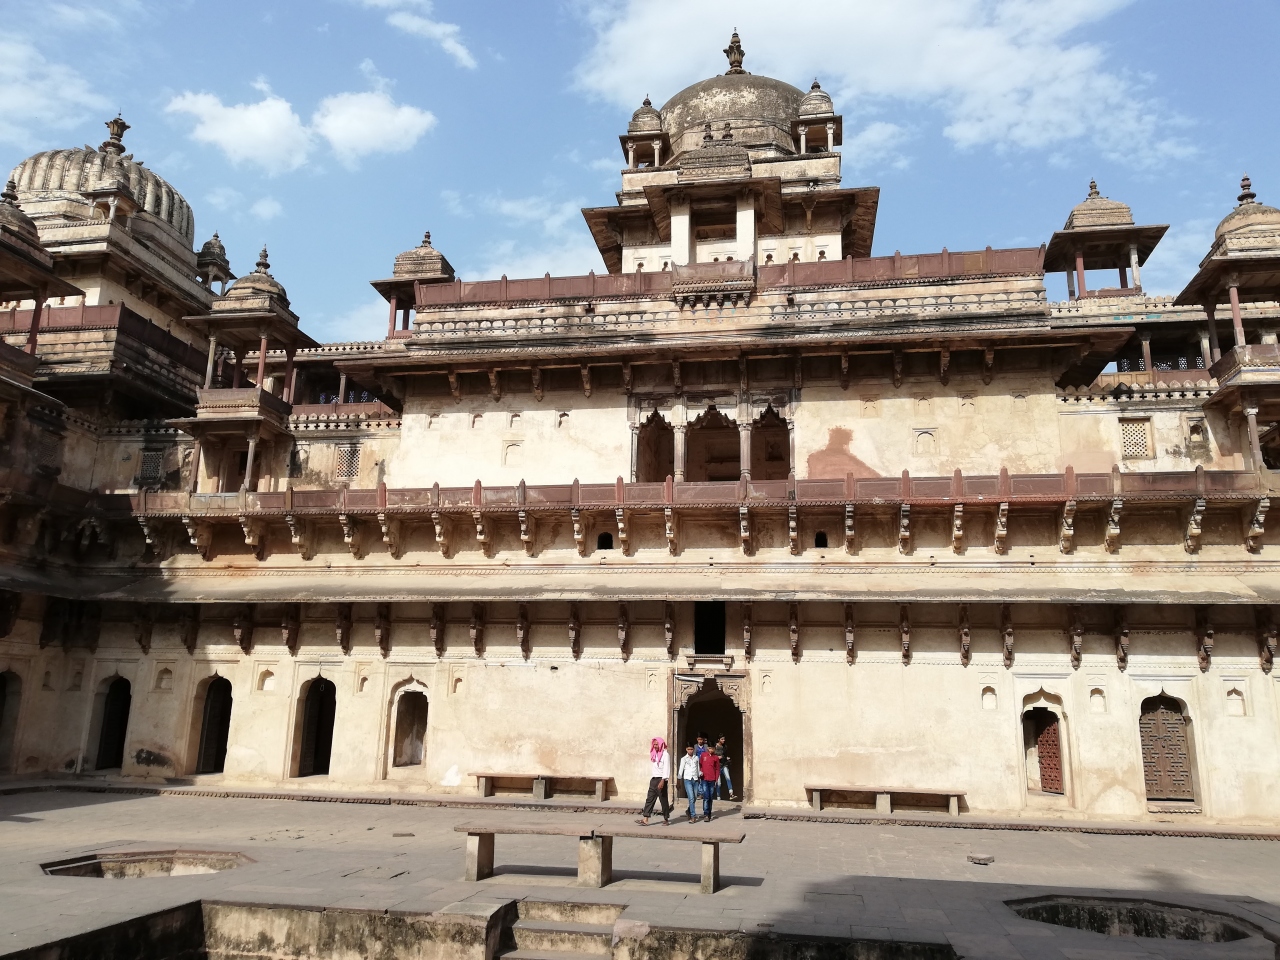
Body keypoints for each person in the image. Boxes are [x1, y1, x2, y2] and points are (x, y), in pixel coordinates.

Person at [636, 736, 670, 826]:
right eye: (654, 744)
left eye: (656, 744)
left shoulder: (665, 755)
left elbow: (666, 768)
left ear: (661, 744)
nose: (655, 746)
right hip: (654, 779)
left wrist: (663, 780)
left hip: (661, 779)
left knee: (663, 800)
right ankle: (645, 819)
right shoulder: (654, 754)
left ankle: (666, 818)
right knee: (650, 799)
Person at [697, 743, 721, 822]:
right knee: (706, 796)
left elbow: (717, 769)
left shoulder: (715, 758)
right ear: (707, 748)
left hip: (712, 779)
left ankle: (709, 812)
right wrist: (700, 773)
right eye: (710, 748)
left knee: (710, 796)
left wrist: (716, 779)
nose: (711, 750)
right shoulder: (703, 755)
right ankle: (706, 813)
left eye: (712, 748)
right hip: (704, 779)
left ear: (714, 749)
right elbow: (700, 765)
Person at [677, 744, 700, 823]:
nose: (690, 751)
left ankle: (688, 810)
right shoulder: (684, 759)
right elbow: (681, 770)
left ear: (693, 749)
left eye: (691, 749)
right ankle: (693, 816)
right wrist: (678, 780)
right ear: (686, 749)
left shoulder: (696, 758)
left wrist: (699, 777)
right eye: (688, 749)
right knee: (691, 798)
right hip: (687, 780)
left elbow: (698, 768)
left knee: (695, 797)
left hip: (695, 779)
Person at [714, 734, 737, 801]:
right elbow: (712, 755)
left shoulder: (725, 747)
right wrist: (717, 757)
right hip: (717, 766)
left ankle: (731, 793)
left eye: (724, 739)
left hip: (724, 765)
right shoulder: (715, 746)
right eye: (722, 739)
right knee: (718, 783)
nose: (723, 740)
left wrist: (727, 758)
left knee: (728, 778)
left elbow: (725, 755)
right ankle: (718, 796)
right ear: (718, 740)